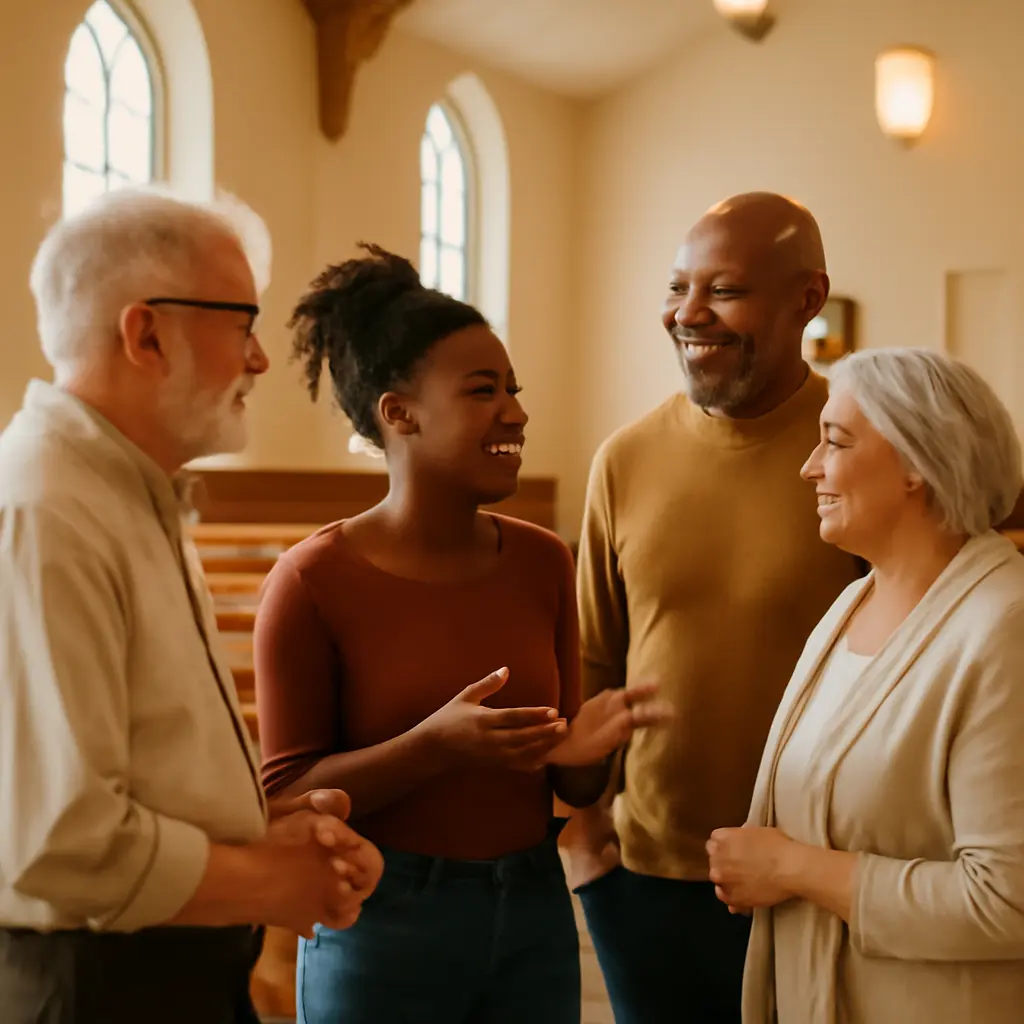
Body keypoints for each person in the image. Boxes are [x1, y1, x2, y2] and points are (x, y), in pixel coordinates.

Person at [253, 244, 670, 1024]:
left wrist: (584, 750)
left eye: (513, 390)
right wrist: (434, 744)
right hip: (381, 919)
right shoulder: (312, 582)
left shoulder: (543, 560)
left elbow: (571, 789)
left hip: (532, 911)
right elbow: (285, 797)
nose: (515, 411)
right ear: (399, 412)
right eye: (483, 391)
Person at [0, 188, 382, 1024]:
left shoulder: (130, 491)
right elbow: (59, 844)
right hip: (98, 987)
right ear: (145, 333)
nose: (259, 360)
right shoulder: (45, 509)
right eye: (241, 323)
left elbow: (135, 763)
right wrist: (275, 879)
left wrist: (258, 818)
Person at [559, 192, 863, 1023]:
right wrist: (586, 842)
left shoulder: (861, 448)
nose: (689, 313)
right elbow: (595, 655)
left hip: (817, 874)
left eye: (724, 290)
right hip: (647, 877)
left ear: (807, 299)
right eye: (678, 287)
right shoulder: (623, 459)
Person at [708, 348, 1024, 1024]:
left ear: (919, 461)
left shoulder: (1006, 629)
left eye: (836, 441)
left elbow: (1008, 901)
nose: (809, 467)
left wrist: (794, 870)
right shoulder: (850, 605)